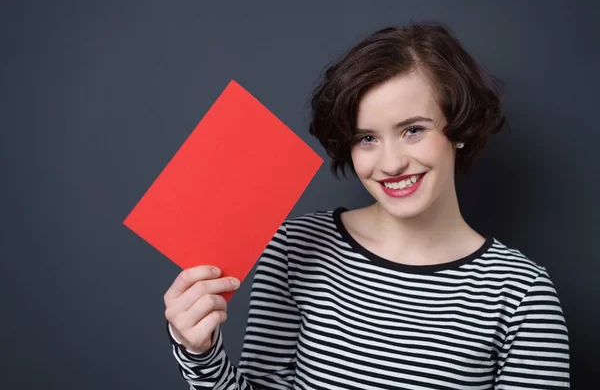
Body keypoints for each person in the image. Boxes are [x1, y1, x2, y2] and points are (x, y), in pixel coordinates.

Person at [163, 22, 570, 389]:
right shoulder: (294, 246)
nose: (391, 163)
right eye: (366, 139)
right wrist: (199, 354)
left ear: (458, 128)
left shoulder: (521, 294)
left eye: (413, 130)